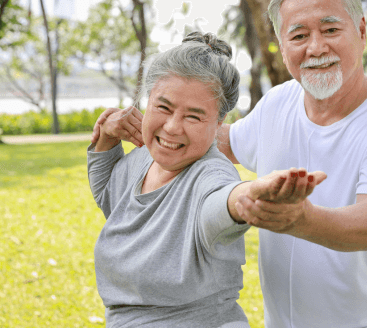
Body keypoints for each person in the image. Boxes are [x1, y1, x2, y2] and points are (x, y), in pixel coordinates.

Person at [216, 0, 367, 327]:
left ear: (361, 31)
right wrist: (155, 125)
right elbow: (225, 143)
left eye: (331, 30)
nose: (316, 47)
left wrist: (299, 218)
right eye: (298, 35)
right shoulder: (279, 102)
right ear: (282, 46)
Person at [87, 32, 326, 328]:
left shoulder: (210, 173)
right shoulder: (143, 158)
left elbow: (220, 202)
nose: (173, 127)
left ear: (219, 123)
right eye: (163, 107)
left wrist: (251, 194)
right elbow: (110, 196)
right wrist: (106, 139)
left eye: (194, 116)